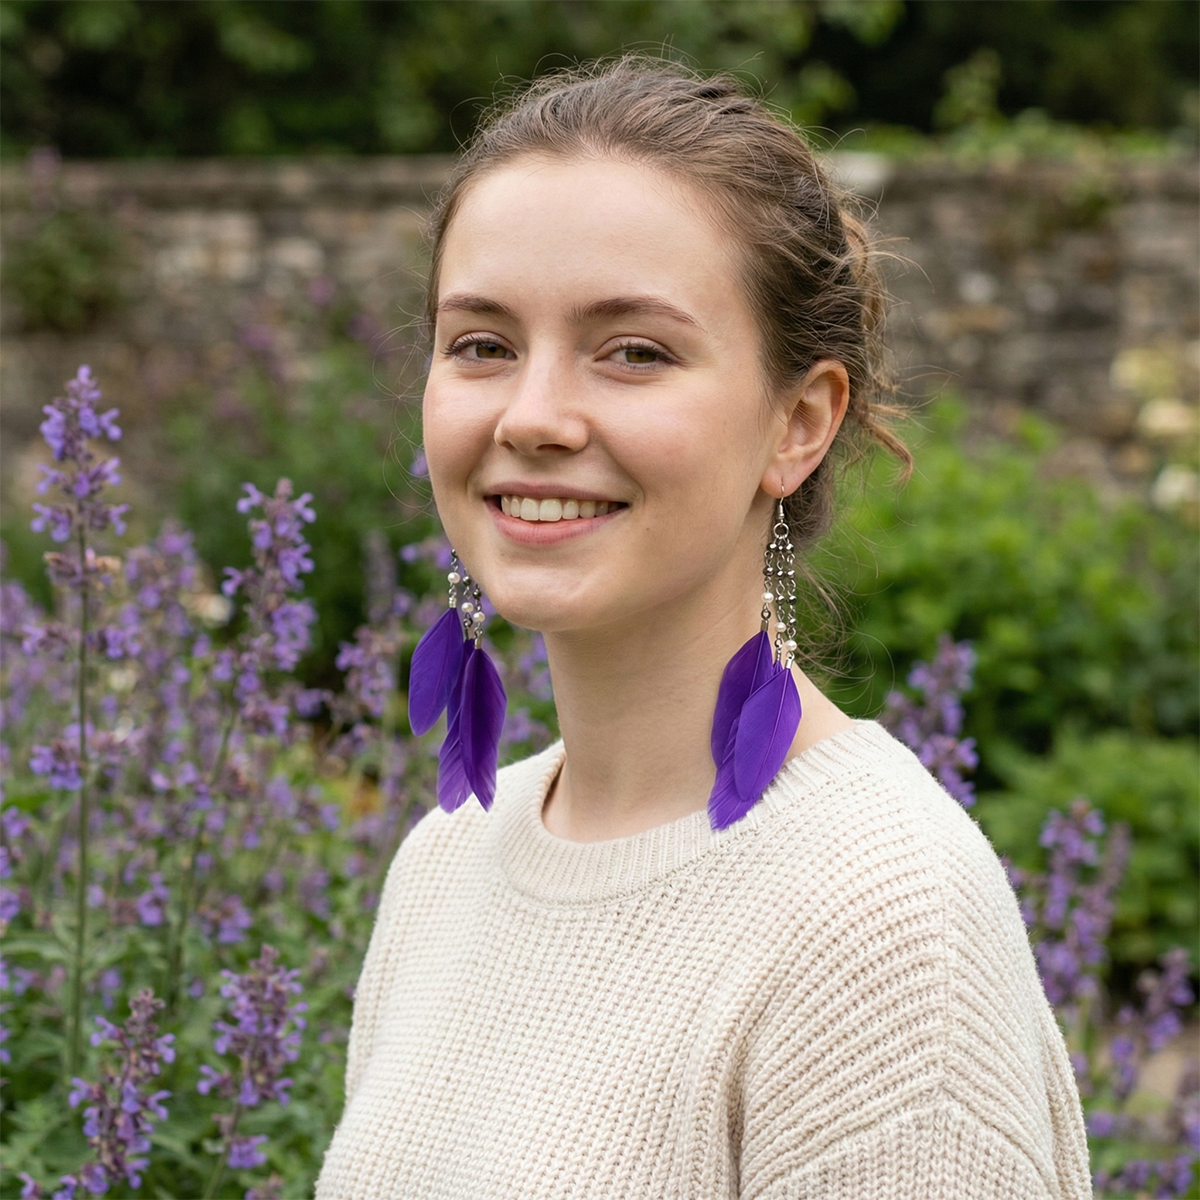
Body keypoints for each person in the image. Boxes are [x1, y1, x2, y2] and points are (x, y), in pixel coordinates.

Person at [315, 59, 1091, 1199]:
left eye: (635, 350)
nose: (532, 417)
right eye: (481, 343)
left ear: (799, 422)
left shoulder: (881, 922)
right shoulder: (446, 862)